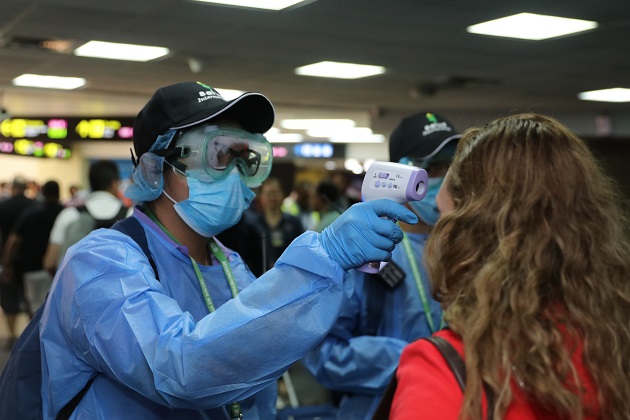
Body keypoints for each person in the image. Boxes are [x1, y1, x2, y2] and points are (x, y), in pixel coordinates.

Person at [38, 81, 417, 419]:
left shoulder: (229, 265)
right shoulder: (101, 262)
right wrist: (327, 257)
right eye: (218, 155)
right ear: (155, 168)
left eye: (246, 158)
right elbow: (179, 369)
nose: (236, 174)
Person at [389, 113, 630, 419]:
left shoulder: (445, 366)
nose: (439, 233)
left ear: (470, 231)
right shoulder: (612, 341)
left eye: (445, 219)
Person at [302, 111, 461, 418]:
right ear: (402, 173)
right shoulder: (367, 248)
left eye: (453, 165)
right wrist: (413, 358)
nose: (446, 178)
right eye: (435, 166)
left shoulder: (463, 246)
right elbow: (321, 353)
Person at [43, 160, 127, 272]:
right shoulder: (131, 215)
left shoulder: (69, 214)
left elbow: (50, 262)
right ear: (115, 183)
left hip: (75, 286)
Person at [1, 180, 64, 314]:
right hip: (61, 270)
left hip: (33, 267)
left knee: (35, 307)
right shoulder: (67, 214)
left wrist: (7, 263)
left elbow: (14, 241)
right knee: (58, 309)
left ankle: (29, 334)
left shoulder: (32, 212)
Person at [241, 177, 305, 276]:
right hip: (259, 279)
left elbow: (301, 253)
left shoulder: (294, 222)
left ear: (283, 195)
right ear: (261, 197)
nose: (272, 197)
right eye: (268, 193)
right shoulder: (252, 225)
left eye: (275, 192)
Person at [0, 175, 34, 348]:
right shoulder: (33, 206)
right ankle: (30, 335)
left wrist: (5, 262)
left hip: (9, 259)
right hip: (30, 259)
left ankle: (12, 335)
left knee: (8, 297)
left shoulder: (3, 206)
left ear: (13, 187)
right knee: (31, 298)